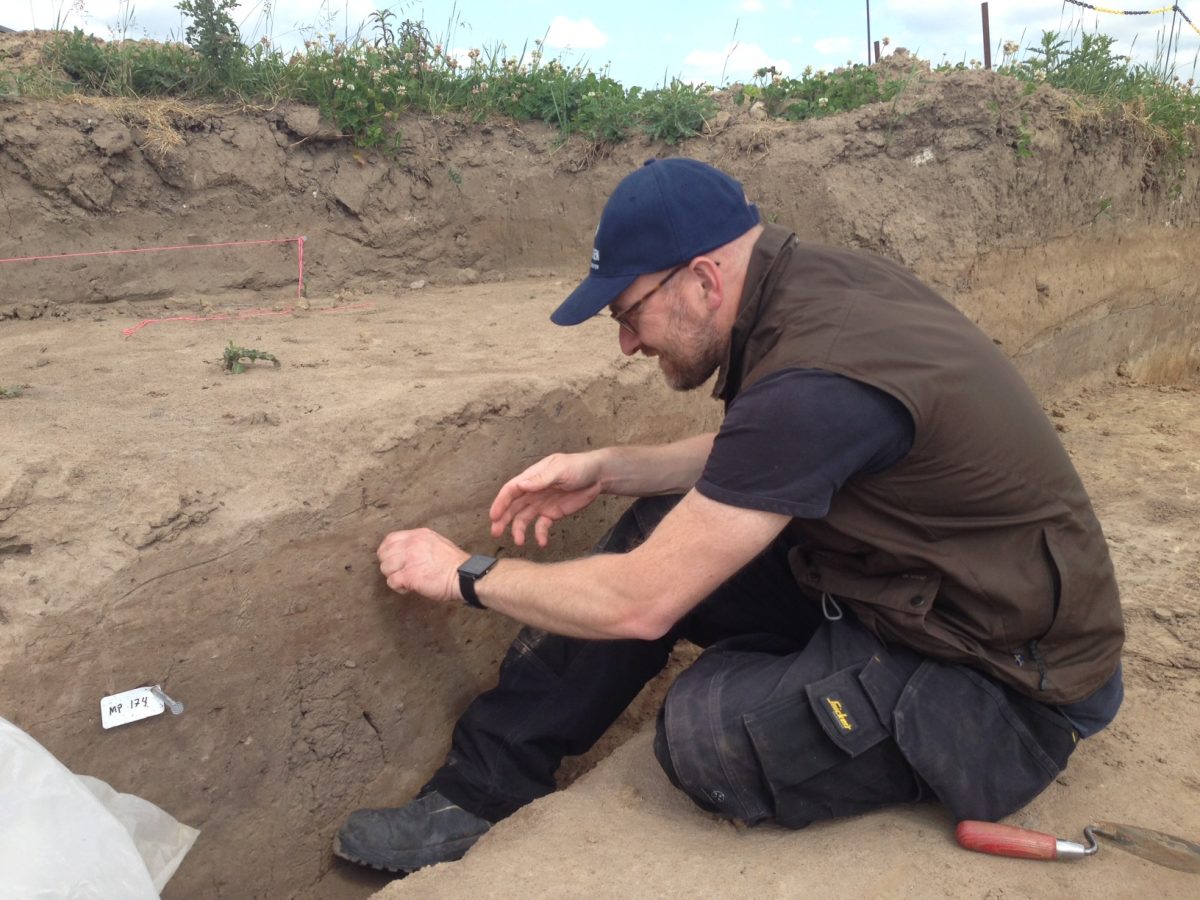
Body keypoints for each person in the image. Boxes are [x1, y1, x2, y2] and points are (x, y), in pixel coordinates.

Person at [333, 158, 1124, 874]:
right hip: (916, 591)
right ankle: (476, 792)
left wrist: (464, 575)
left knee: (705, 731)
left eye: (629, 311)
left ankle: (809, 693)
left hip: (1003, 681)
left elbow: (640, 602)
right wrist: (611, 469)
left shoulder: (817, 372)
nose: (624, 344)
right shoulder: (813, 290)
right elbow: (764, 452)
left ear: (703, 281)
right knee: (659, 522)